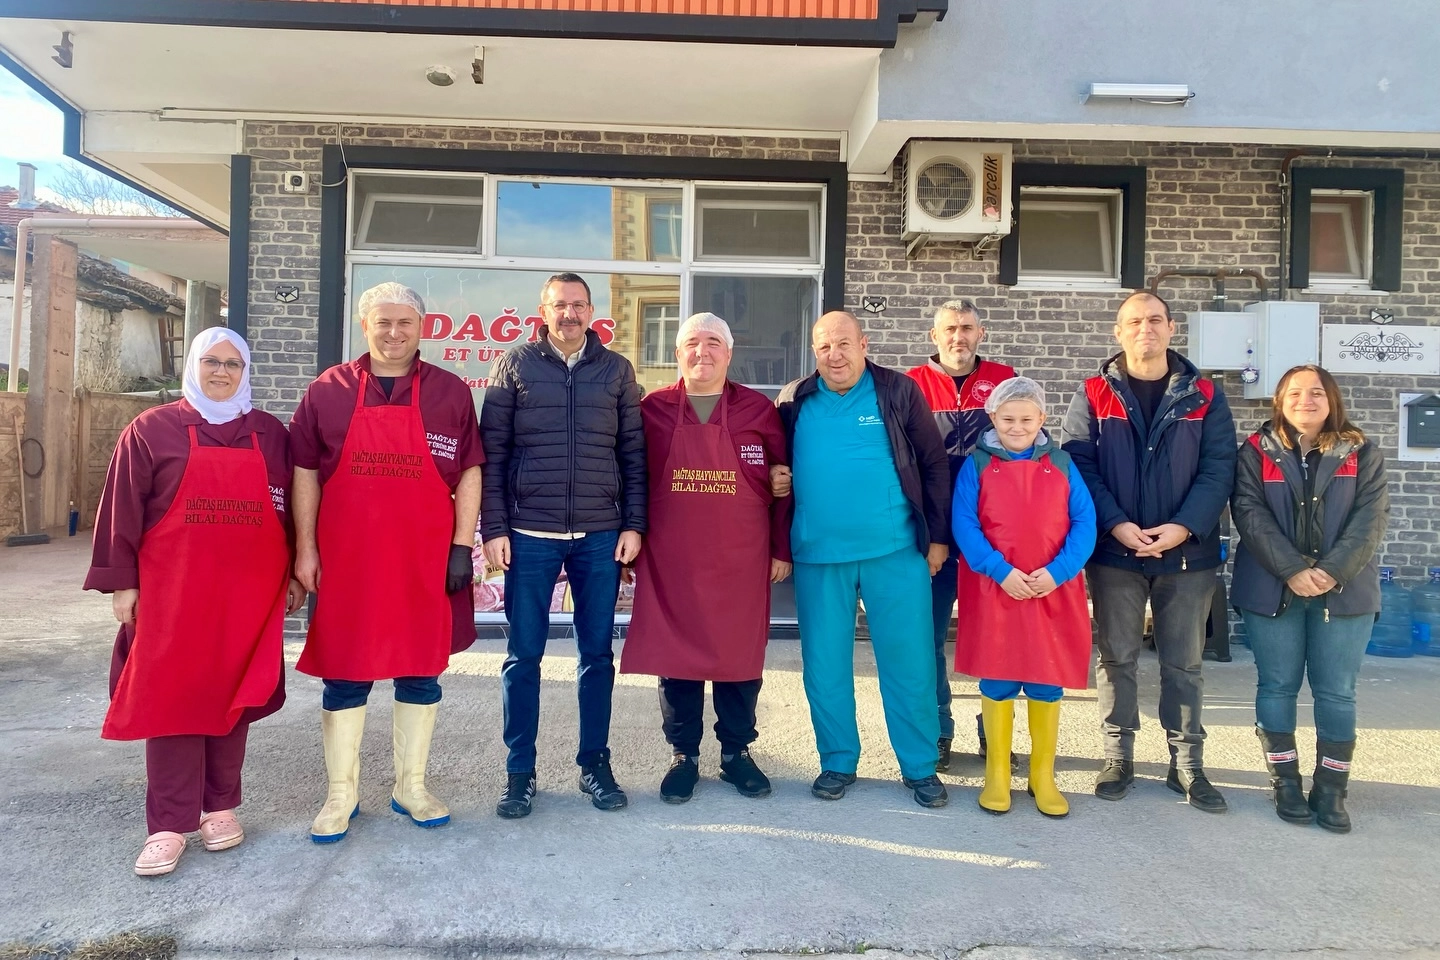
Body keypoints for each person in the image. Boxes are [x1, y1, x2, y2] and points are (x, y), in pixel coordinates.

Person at [85, 328, 304, 876]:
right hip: (172, 595)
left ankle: (220, 807)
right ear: (193, 366)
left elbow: (294, 509)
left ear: (245, 372)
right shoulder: (151, 430)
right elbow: (120, 509)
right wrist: (123, 583)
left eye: (233, 364)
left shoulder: (271, 434)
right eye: (211, 361)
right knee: (172, 700)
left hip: (249, 597)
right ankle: (167, 825)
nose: (222, 372)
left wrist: (296, 572)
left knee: (234, 696)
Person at [291, 282, 482, 842]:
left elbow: (470, 471)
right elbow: (304, 472)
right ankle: (340, 793)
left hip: (423, 559)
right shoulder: (326, 391)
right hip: (348, 559)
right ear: (364, 326)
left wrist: (461, 547)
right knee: (345, 672)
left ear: (422, 327)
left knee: (420, 671)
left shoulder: (450, 392)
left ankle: (411, 786)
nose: (394, 333)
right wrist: (305, 548)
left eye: (405, 323)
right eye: (383, 322)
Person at [1062, 291, 1236, 812]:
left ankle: (1188, 765)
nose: (1146, 329)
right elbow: (1078, 465)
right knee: (1117, 658)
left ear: (1171, 328)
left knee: (1184, 664)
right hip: (1115, 553)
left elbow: (1219, 467)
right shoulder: (1093, 393)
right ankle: (1118, 757)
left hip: (1187, 555)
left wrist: (1184, 526)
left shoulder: (1205, 394)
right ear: (1118, 332)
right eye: (1134, 321)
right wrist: (1115, 524)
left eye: (1155, 319)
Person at [481, 273, 646, 817]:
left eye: (578, 305)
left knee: (596, 655)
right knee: (523, 655)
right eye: (560, 305)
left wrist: (633, 525)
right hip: (529, 534)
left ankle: (595, 764)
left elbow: (633, 454)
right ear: (543, 311)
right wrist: (494, 528)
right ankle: (519, 772)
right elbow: (493, 453)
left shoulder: (616, 370)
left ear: (591, 311)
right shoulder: (514, 365)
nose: (569, 314)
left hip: (600, 535)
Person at [777, 311, 951, 808]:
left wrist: (938, 539)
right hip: (818, 555)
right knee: (824, 665)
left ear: (864, 343)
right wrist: (775, 481)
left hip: (894, 551)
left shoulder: (897, 391)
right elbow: (773, 463)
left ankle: (919, 766)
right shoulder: (793, 400)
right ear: (814, 352)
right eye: (824, 347)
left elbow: (934, 463)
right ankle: (837, 761)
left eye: (844, 344)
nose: (835, 355)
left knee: (910, 662)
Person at [620, 313, 792, 803]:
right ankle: (684, 756)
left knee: (740, 657)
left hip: (742, 559)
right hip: (671, 560)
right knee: (676, 657)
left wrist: (780, 548)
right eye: (692, 342)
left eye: (713, 342)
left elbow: (784, 480)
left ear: (729, 353)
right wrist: (628, 545)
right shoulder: (651, 410)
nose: (703, 351)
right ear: (678, 353)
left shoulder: (758, 410)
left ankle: (737, 753)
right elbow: (630, 480)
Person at [1231, 364, 1389, 833]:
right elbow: (1249, 513)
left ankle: (1331, 788)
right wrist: (1293, 570)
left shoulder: (1362, 451)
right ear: (1279, 401)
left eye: (1316, 392)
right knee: (1276, 685)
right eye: (1295, 393)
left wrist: (1329, 571)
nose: (1306, 400)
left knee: (1336, 690)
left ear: (1331, 399)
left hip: (1345, 590)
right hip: (1271, 587)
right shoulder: (1255, 451)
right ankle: (1284, 782)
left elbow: (1370, 520)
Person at [952, 377, 1096, 818]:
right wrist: (999, 570)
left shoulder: (1063, 464)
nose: (1017, 427)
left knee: (1045, 678)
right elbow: (964, 524)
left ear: (1042, 419)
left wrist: (1058, 572)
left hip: (1049, 589)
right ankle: (996, 774)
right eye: (1008, 419)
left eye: (1027, 420)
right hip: (995, 589)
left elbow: (1085, 522)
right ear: (992, 417)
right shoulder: (976, 465)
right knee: (997, 677)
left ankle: (1042, 775)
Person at [906, 299, 1016, 768]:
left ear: (981, 333)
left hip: (993, 539)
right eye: (949, 328)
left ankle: (995, 729)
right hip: (932, 537)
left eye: (967, 328)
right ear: (934, 336)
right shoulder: (910, 384)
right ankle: (938, 728)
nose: (958, 337)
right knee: (927, 640)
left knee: (996, 638)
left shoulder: (1005, 381)